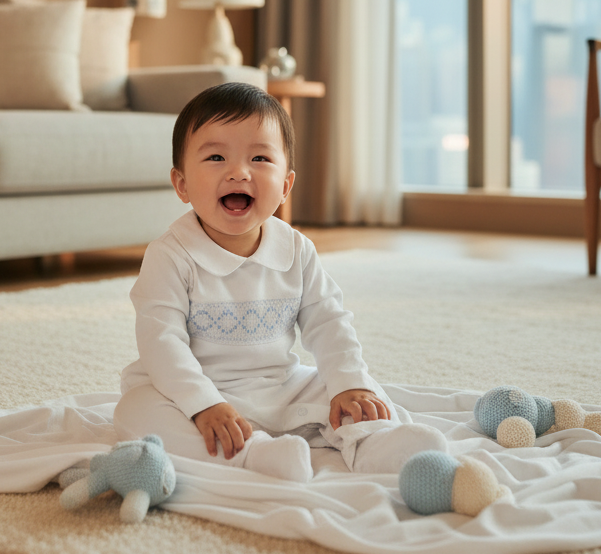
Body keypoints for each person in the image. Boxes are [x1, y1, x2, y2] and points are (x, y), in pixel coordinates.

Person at [114, 82, 446, 482]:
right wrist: (203, 405)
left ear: (286, 185)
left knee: (354, 388)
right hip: (194, 392)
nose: (239, 171)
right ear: (182, 184)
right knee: (135, 410)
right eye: (216, 157)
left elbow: (329, 321)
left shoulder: (296, 249)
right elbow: (161, 345)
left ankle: (374, 443)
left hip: (280, 385)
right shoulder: (170, 256)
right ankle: (252, 456)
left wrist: (349, 384)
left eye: (259, 158)